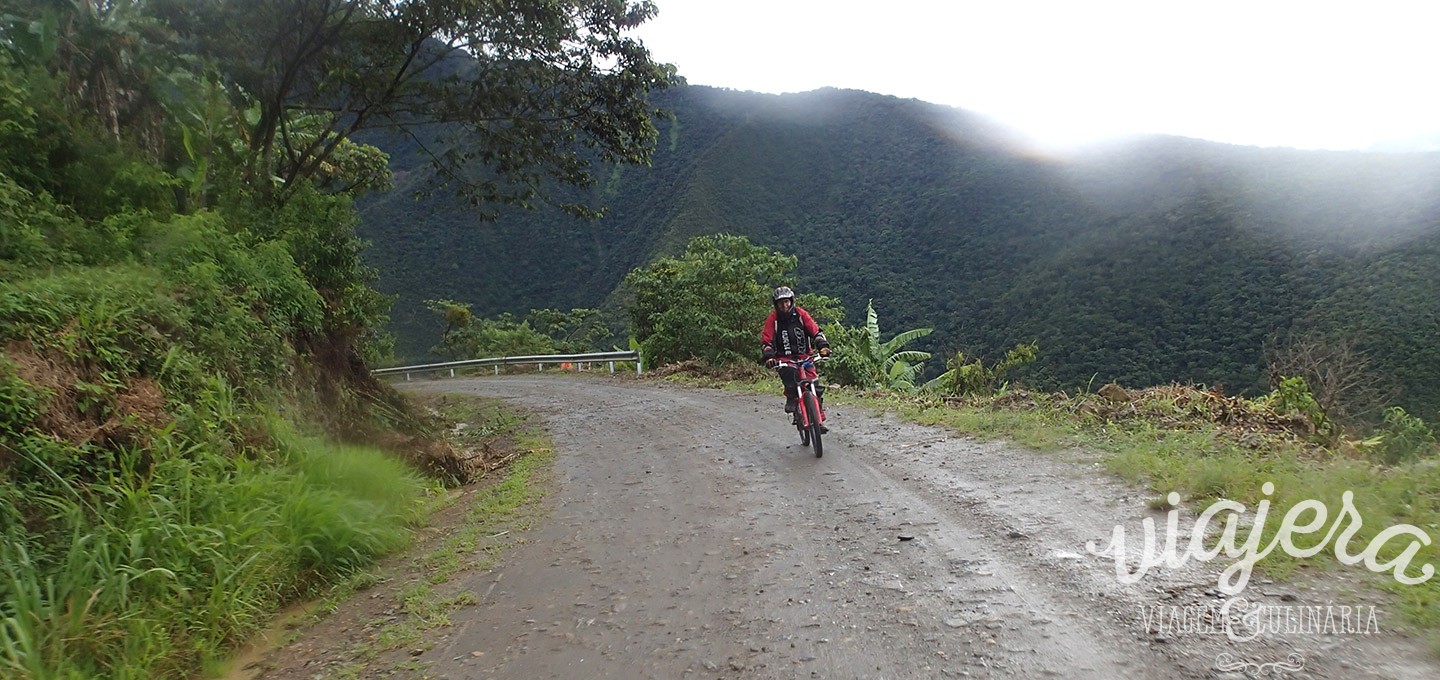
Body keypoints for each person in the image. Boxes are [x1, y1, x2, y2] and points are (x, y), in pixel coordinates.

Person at [760, 286, 830, 428]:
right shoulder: (773, 319)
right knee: (790, 378)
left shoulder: (801, 314)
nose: (784, 306)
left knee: (814, 385)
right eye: (781, 303)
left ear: (792, 301)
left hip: (805, 357)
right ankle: (791, 398)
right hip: (785, 359)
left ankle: (819, 418)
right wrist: (769, 357)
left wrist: (823, 346)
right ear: (776, 305)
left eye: (787, 302)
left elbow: (815, 332)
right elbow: (767, 341)